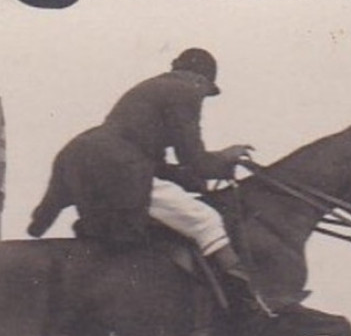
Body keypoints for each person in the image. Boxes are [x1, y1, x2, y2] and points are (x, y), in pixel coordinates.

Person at [27, 48, 278, 315]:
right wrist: (225, 158)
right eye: (206, 92)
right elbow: (194, 159)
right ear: (203, 80)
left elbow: (158, 164)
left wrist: (39, 225)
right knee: (206, 220)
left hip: (78, 152)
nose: (203, 97)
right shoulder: (186, 90)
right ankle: (250, 305)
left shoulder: (152, 89)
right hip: (119, 166)